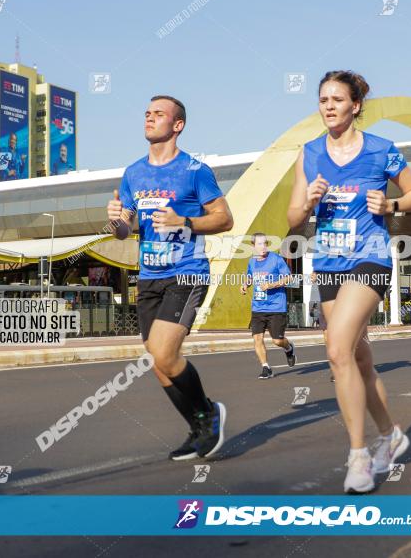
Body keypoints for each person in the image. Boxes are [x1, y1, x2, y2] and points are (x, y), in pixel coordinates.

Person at [286, 70, 411, 493]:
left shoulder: (382, 150)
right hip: (328, 262)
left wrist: (392, 202)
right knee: (357, 358)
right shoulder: (308, 153)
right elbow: (293, 219)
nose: (328, 106)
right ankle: (391, 435)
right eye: (322, 99)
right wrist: (308, 201)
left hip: (369, 259)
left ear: (355, 105)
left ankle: (358, 456)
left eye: (337, 99)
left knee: (336, 348)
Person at [107, 94, 234, 461]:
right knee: (157, 361)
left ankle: (210, 414)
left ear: (177, 125)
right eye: (146, 113)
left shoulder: (195, 171)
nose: (149, 118)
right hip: (149, 276)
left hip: (186, 272)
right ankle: (198, 425)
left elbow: (225, 219)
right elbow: (124, 230)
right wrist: (116, 219)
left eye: (158, 114)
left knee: (164, 352)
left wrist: (185, 220)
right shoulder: (134, 173)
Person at [240, 232, 297, 379]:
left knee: (277, 340)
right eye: (260, 244)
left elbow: (289, 277)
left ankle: (289, 348)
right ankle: (266, 367)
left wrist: (271, 285)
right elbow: (249, 276)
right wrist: (245, 285)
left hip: (276, 306)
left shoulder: (276, 259)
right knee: (257, 339)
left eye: (265, 243)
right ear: (253, 246)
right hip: (258, 307)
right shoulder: (252, 261)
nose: (263, 246)